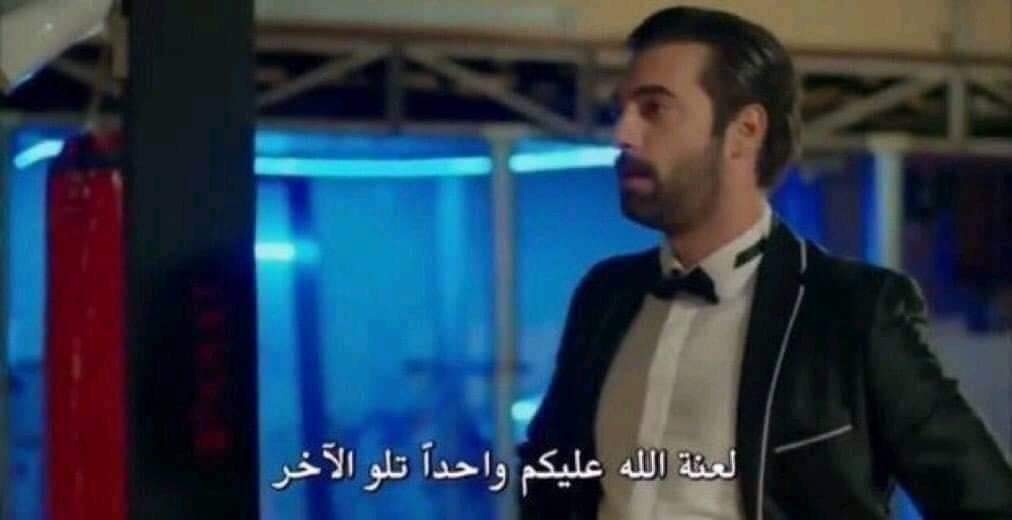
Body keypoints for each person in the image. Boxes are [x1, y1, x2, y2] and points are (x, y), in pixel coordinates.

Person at [517, 6, 1012, 519]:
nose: (623, 133)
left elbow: (987, 503)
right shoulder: (606, 296)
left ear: (745, 130)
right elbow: (549, 476)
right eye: (621, 108)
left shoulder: (853, 313)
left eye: (654, 109)